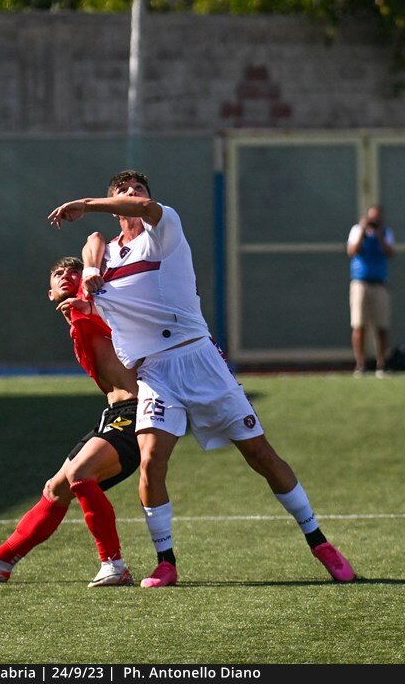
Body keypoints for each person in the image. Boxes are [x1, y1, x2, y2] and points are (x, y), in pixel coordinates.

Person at [48, 169, 355, 588]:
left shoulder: (163, 231)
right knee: (153, 462)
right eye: (123, 190)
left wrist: (88, 204)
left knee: (260, 456)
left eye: (139, 190)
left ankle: (319, 541)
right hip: (154, 371)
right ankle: (166, 562)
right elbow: (94, 250)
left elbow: (135, 212)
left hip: (198, 358)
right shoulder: (104, 257)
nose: (133, 196)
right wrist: (87, 275)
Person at [0, 256, 142, 587]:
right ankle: (2, 560)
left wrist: (92, 274)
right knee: (56, 489)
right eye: (58, 273)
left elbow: (94, 240)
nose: (67, 275)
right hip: (113, 415)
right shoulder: (75, 317)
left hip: (139, 410)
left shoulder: (98, 300)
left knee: (82, 473)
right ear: (49, 293)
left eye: (74, 271)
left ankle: (114, 564)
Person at [347, 205, 395, 378]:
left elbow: (390, 252)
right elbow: (352, 251)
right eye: (372, 218)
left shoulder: (386, 233)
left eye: (377, 218)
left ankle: (381, 364)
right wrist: (362, 230)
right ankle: (361, 364)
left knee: (381, 326)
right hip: (360, 283)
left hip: (379, 284)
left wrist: (380, 235)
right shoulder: (357, 231)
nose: (374, 221)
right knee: (359, 325)